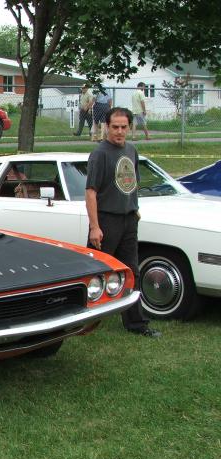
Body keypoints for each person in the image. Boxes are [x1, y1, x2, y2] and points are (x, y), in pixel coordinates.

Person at [85, 107, 161, 338]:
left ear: (129, 127)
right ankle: (84, 319)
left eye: (123, 127)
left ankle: (136, 323)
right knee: (95, 272)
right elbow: (90, 192)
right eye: (115, 127)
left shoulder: (131, 150)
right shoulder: (100, 154)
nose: (119, 131)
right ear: (107, 126)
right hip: (106, 220)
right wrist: (95, 227)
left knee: (132, 271)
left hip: (128, 220)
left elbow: (132, 183)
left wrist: (134, 210)